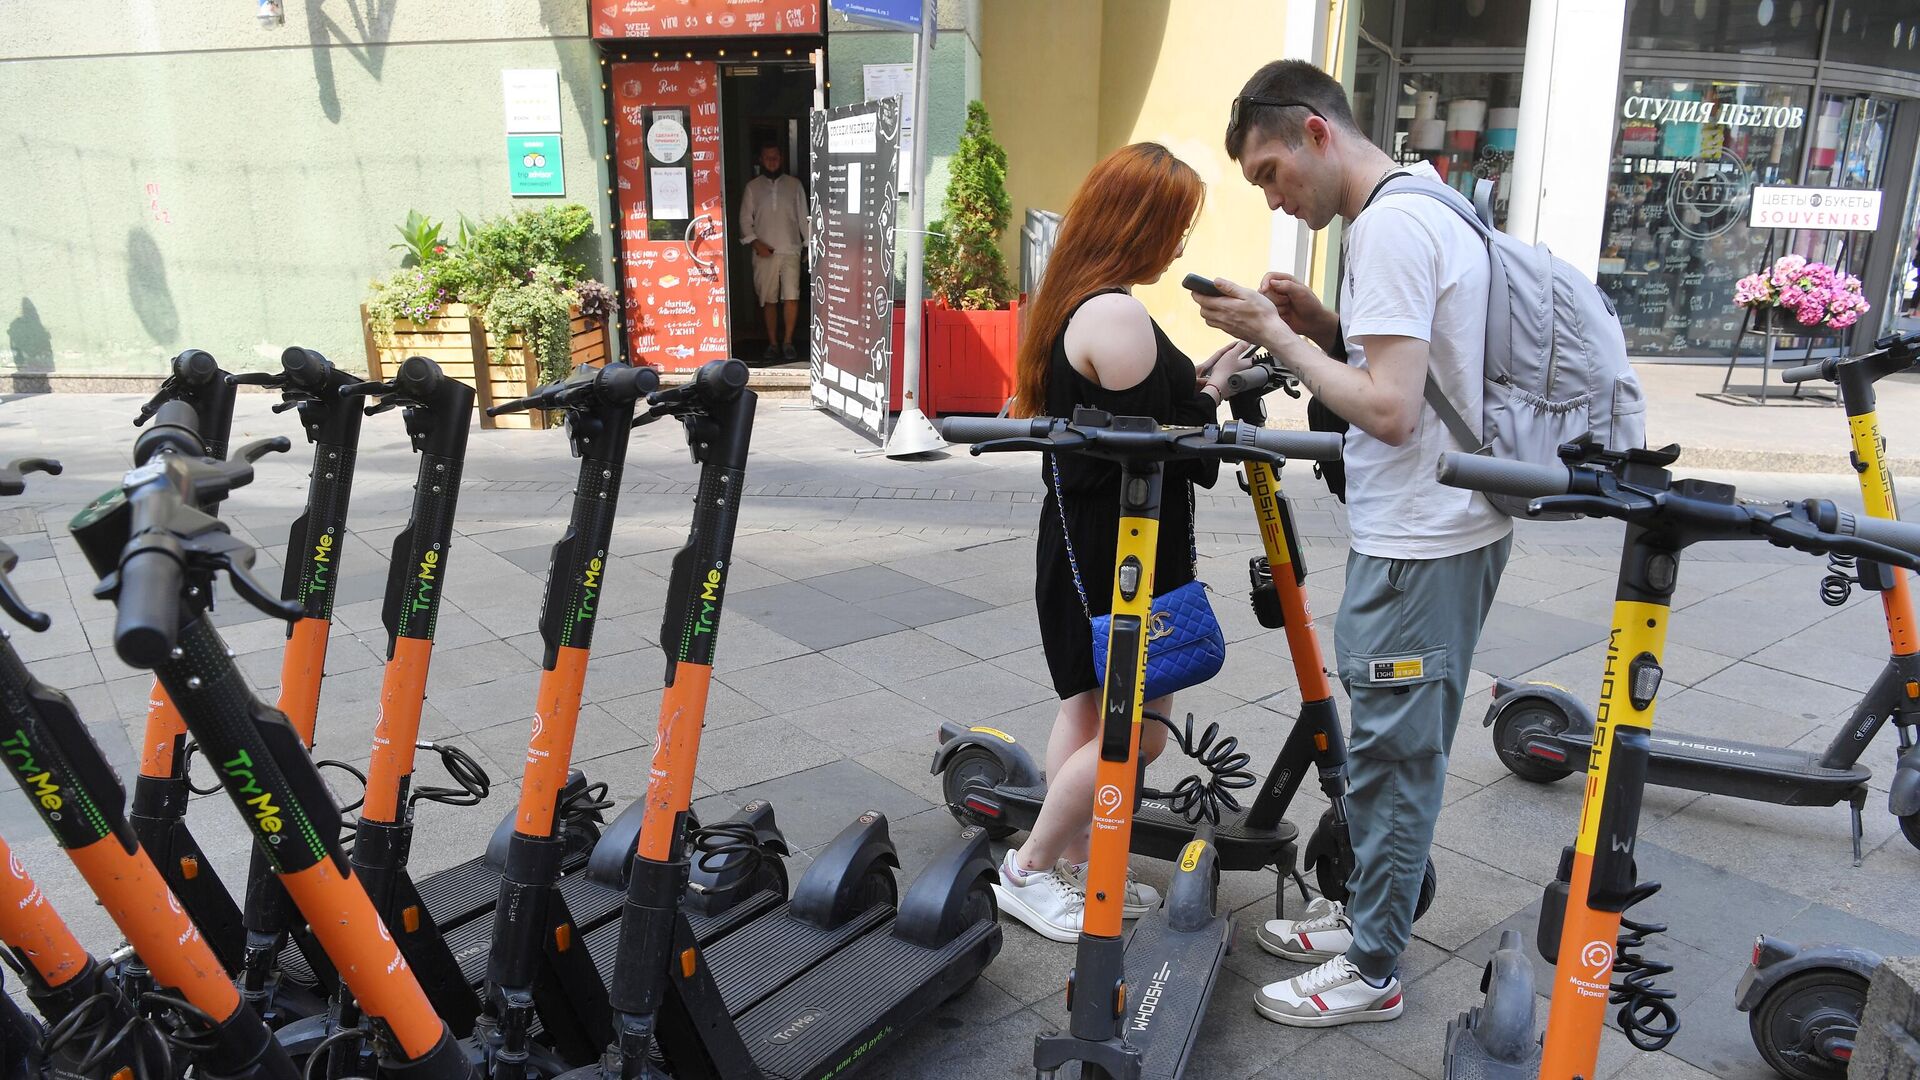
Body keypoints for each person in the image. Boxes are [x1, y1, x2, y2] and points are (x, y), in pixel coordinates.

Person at [1190, 60, 1511, 1027]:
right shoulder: (1422, 203)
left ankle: (1373, 968)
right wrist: (1326, 326)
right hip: (1428, 527)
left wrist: (1279, 342)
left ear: (1317, 134)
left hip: (1425, 536)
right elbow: (1413, 361)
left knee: (1397, 755)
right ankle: (1359, 918)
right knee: (1377, 746)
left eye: (1270, 173)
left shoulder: (1394, 227)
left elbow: (1391, 410)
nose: (1276, 198)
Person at [994, 142, 1256, 942]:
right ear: (1137, 224)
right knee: (1135, 732)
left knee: (1089, 708)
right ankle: (1032, 867)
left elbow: (1136, 416)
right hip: (1121, 556)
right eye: (1174, 226)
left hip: (1089, 547)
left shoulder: (1081, 301)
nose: (1179, 246)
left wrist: (1203, 379)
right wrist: (1213, 388)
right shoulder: (1115, 312)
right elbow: (1161, 441)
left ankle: (1069, 861)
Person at [738, 143, 810, 363]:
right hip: (764, 251)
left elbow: (803, 217)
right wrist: (755, 243)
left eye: (776, 156)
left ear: (782, 158)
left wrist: (808, 244)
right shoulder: (752, 187)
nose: (772, 161)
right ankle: (772, 343)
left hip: (790, 249)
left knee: (791, 297)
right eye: (767, 157)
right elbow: (744, 221)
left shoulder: (794, 185)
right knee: (768, 299)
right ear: (761, 159)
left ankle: (788, 342)